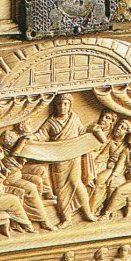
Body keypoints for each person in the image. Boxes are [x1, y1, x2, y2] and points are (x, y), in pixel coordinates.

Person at [26, 94, 97, 227]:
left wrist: (91, 129)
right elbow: (42, 134)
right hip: (58, 158)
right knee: (60, 189)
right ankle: (66, 218)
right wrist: (32, 137)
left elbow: (81, 131)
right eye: (60, 104)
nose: (63, 107)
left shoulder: (74, 118)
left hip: (73, 155)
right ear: (55, 106)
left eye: (66, 104)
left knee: (76, 183)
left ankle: (88, 212)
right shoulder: (51, 122)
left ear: (70, 105)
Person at [0, 144, 36, 234]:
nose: (2, 151)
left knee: (19, 192)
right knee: (15, 200)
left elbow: (3, 170)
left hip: (1, 189)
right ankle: (27, 225)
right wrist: (3, 177)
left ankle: (15, 222)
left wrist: (5, 171)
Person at [101, 129, 131, 217]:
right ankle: (113, 210)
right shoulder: (126, 150)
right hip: (126, 176)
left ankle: (106, 213)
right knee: (111, 184)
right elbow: (120, 164)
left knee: (120, 190)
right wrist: (113, 175)